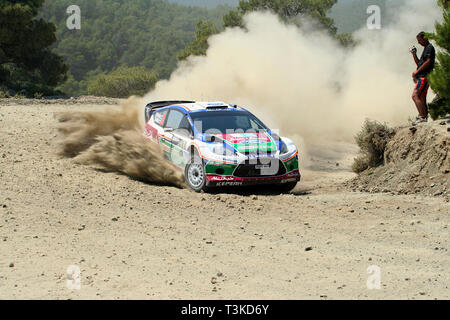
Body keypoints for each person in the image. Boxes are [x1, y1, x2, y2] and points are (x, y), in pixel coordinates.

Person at [410, 31, 435, 125]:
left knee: (415, 95)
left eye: (419, 40)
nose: (418, 43)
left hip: (423, 77)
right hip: (423, 76)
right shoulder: (426, 49)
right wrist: (414, 54)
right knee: (421, 96)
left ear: (424, 38)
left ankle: (422, 117)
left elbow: (428, 62)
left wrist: (417, 72)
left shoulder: (429, 48)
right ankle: (424, 116)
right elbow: (419, 64)